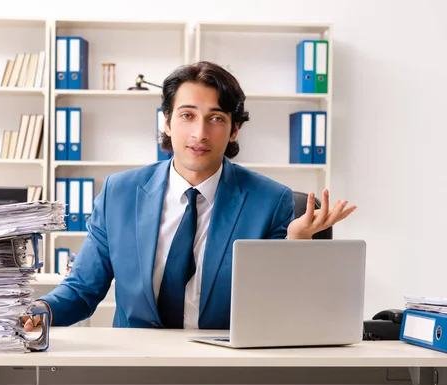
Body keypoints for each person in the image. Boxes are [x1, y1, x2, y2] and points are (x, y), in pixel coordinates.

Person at [23, 61, 356, 331]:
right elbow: (83, 290)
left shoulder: (271, 200)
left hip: (226, 368)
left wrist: (295, 246)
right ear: (167, 122)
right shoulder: (119, 193)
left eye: (216, 118)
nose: (200, 133)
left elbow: (282, 309)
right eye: (187, 115)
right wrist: (38, 311)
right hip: (136, 365)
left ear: (234, 129)